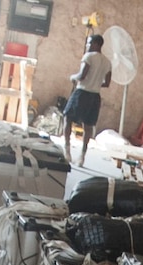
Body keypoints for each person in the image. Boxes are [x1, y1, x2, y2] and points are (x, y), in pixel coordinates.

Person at [62, 33, 109, 166]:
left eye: (88, 43)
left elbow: (82, 75)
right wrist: (95, 82)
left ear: (95, 44)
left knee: (67, 117)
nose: (87, 46)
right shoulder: (107, 62)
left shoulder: (89, 57)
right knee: (88, 125)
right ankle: (82, 156)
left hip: (82, 92)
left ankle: (67, 150)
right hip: (95, 96)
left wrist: (73, 77)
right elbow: (107, 83)